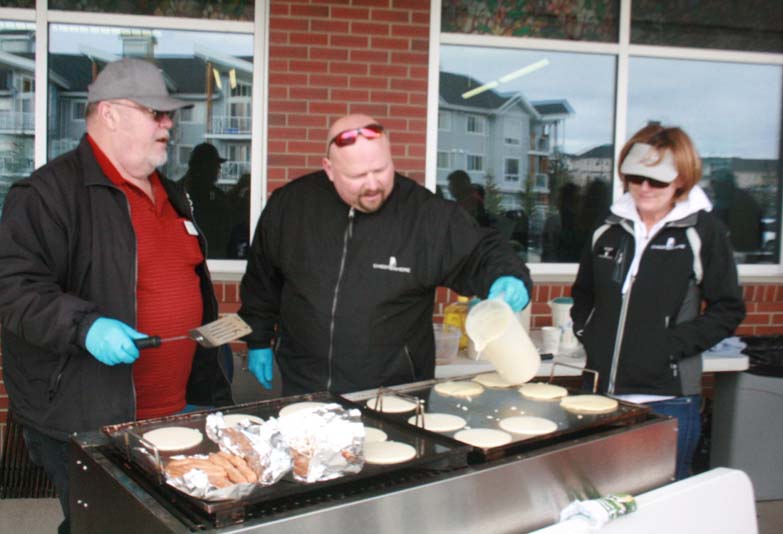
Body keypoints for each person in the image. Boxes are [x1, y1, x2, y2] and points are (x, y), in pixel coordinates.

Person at [0, 58, 232, 533]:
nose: (169, 124)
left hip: (177, 407)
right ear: (108, 114)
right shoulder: (48, 193)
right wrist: (85, 326)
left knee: (165, 522)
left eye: (169, 114)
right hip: (90, 419)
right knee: (106, 526)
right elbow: (12, 287)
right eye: (156, 112)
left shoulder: (171, 193)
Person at [239, 114, 532, 395]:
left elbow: (480, 251)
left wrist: (507, 276)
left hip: (393, 392)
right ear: (329, 169)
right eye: (357, 175)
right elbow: (262, 279)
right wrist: (258, 339)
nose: (372, 185)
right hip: (304, 386)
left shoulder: (424, 215)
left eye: (381, 170)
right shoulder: (291, 207)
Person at [570, 124, 745, 480]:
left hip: (668, 400)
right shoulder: (608, 229)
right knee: (596, 493)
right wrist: (587, 331)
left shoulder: (702, 232)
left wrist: (668, 346)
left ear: (681, 179)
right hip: (599, 394)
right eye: (636, 178)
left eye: (657, 181)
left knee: (661, 503)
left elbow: (728, 307)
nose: (644, 188)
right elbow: (584, 292)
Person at [179, 142, 233, 258]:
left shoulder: (217, 196)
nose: (219, 169)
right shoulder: (176, 193)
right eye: (216, 165)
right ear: (204, 166)